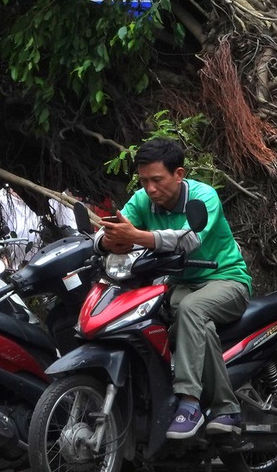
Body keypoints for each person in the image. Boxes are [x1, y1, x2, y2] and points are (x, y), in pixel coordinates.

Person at [95, 137, 252, 440]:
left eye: (157, 180)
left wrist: (137, 237)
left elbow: (188, 239)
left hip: (227, 280)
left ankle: (190, 401)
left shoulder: (203, 197)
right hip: (181, 284)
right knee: (163, 317)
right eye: (144, 181)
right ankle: (225, 408)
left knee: (192, 309)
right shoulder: (143, 200)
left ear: (178, 174)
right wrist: (107, 240)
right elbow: (112, 231)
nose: (151, 189)